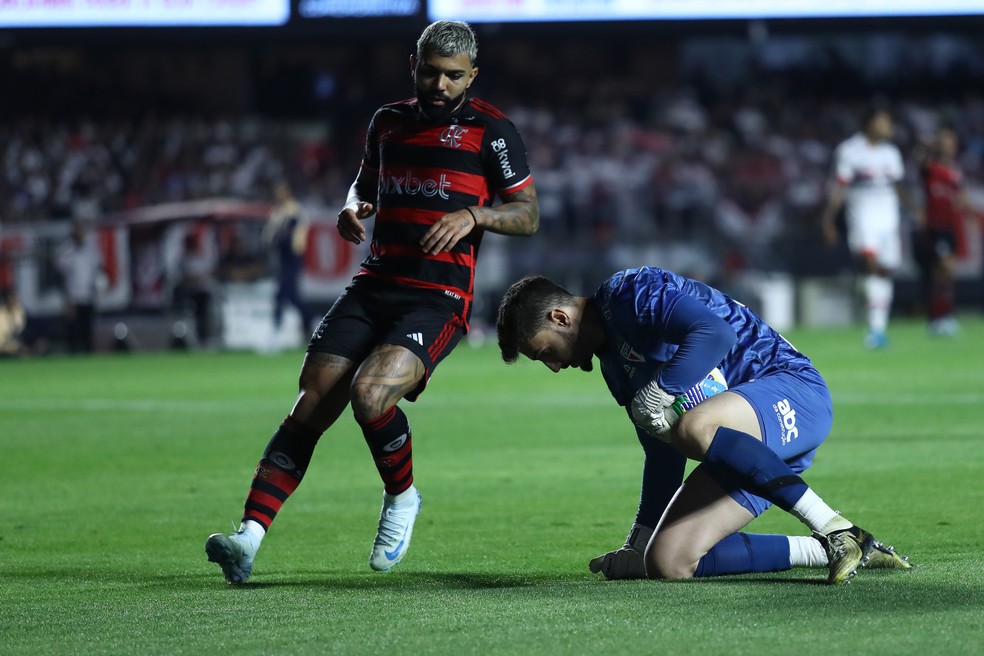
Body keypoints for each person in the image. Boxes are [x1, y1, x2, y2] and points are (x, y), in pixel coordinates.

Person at [206, 20, 540, 584]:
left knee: (370, 393)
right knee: (310, 403)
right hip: (374, 283)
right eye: (431, 72)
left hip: (437, 297)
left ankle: (402, 497)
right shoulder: (387, 121)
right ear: (414, 64)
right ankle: (249, 538)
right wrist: (351, 206)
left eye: (454, 76)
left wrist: (474, 214)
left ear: (472, 76)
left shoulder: (493, 132)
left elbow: (528, 214)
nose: (440, 84)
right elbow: (364, 185)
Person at [495, 268, 910, 584]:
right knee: (668, 561)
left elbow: (715, 333)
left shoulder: (631, 293)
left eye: (545, 351)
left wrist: (662, 388)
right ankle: (830, 550)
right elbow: (661, 452)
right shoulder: (613, 367)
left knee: (693, 426)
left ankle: (837, 528)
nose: (553, 366)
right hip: (751, 449)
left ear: (560, 317)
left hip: (793, 393)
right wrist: (638, 543)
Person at [820, 108, 909, 350]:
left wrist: (914, 211)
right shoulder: (850, 151)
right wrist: (828, 220)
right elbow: (839, 187)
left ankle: (877, 326)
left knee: (884, 272)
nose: (888, 126)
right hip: (862, 216)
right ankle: (875, 329)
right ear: (869, 124)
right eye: (883, 122)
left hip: (889, 218)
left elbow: (898, 185)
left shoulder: (891, 153)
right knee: (872, 265)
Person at [913, 126, 974, 337]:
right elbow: (918, 162)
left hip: (952, 226)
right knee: (943, 270)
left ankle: (943, 317)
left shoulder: (956, 170)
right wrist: (924, 147)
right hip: (936, 225)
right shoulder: (931, 167)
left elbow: (963, 198)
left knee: (947, 274)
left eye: (951, 141)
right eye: (945, 141)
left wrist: (969, 215)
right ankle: (939, 318)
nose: (949, 145)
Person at [263, 181, 318, 342]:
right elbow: (268, 236)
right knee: (292, 297)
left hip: (291, 258)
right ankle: (312, 320)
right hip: (281, 259)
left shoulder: (293, 211)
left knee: (281, 295)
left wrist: (277, 239)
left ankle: (276, 331)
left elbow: (292, 238)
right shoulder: (278, 211)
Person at [56, 223, 102, 353]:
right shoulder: (66, 251)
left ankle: (88, 357)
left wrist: (98, 288)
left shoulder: (91, 251)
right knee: (73, 332)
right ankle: (72, 357)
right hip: (73, 298)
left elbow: (97, 273)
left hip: (88, 297)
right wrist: (66, 298)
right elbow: (60, 277)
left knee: (87, 330)